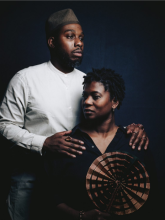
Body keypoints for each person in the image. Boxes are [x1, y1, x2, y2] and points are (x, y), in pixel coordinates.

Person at [0, 9, 149, 220]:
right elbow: (5, 126)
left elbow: (101, 123)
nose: (78, 43)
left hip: (72, 186)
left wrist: (129, 131)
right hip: (29, 182)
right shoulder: (25, 79)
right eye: (70, 37)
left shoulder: (87, 82)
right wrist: (43, 143)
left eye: (81, 38)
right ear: (52, 42)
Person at [44, 68, 158, 220]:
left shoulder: (134, 141)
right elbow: (49, 195)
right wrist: (81, 216)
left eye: (95, 96)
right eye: (84, 96)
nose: (87, 102)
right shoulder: (67, 143)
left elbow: (152, 197)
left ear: (114, 102)